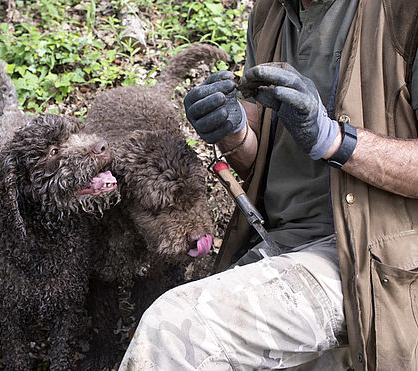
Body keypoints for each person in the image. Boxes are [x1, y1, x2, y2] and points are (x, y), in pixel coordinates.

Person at [119, 0, 418, 370]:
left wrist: (335, 141)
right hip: (284, 240)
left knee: (173, 332)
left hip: (373, 256)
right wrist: (231, 130)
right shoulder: (270, 13)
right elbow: (258, 157)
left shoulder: (404, 12)